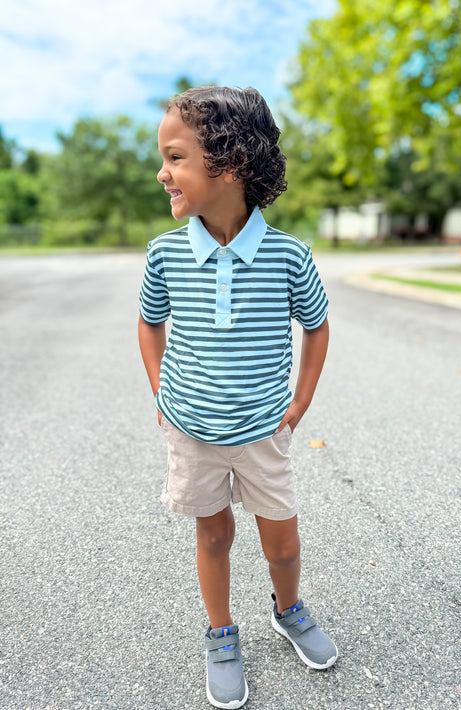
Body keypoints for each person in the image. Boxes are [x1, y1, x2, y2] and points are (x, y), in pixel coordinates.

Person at [138, 86, 337, 709]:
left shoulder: (288, 256)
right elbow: (149, 323)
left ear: (228, 165)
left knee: (282, 541)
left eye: (175, 158)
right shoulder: (166, 255)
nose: (162, 172)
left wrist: (299, 402)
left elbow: (317, 324)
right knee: (214, 535)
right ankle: (221, 632)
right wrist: (161, 390)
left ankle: (289, 608)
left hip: (262, 431)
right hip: (192, 430)